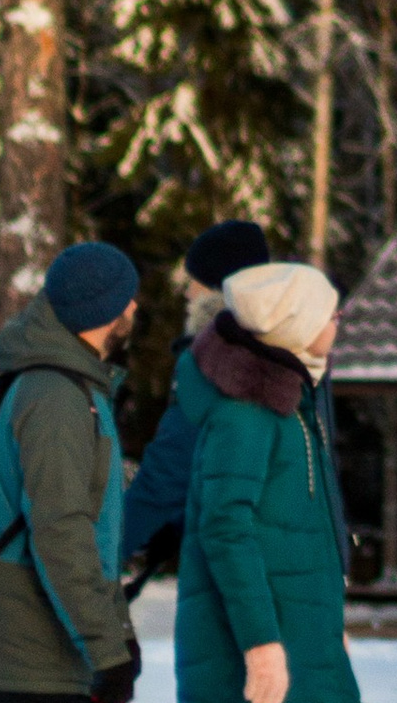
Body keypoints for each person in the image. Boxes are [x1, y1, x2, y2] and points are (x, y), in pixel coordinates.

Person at [0, 244, 145, 703]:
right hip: (28, 665)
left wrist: (118, 630)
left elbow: (91, 532)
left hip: (46, 658)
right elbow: (60, 529)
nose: (136, 306)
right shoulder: (55, 397)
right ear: (106, 310)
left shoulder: (74, 387)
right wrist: (107, 649)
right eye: (128, 297)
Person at [175, 263, 352, 703]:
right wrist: (261, 646)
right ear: (298, 324)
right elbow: (225, 529)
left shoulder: (296, 407)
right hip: (258, 659)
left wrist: (328, 628)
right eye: (330, 314)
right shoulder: (247, 413)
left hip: (300, 644)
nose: (338, 322)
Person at [123, 220, 274, 575]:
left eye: (196, 282)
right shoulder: (284, 355)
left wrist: (104, 550)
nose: (188, 293)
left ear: (219, 289)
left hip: (227, 563)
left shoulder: (213, 359)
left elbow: (170, 471)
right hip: (278, 557)